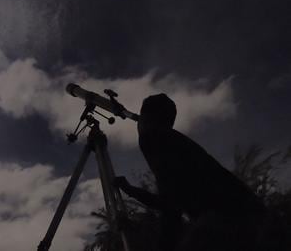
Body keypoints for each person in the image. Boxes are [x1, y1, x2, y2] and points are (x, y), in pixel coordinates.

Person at [114, 94, 265, 251]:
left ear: (146, 118)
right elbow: (171, 203)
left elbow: (171, 210)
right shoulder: (173, 140)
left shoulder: (153, 138)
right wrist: (132, 191)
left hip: (238, 223)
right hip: (253, 221)